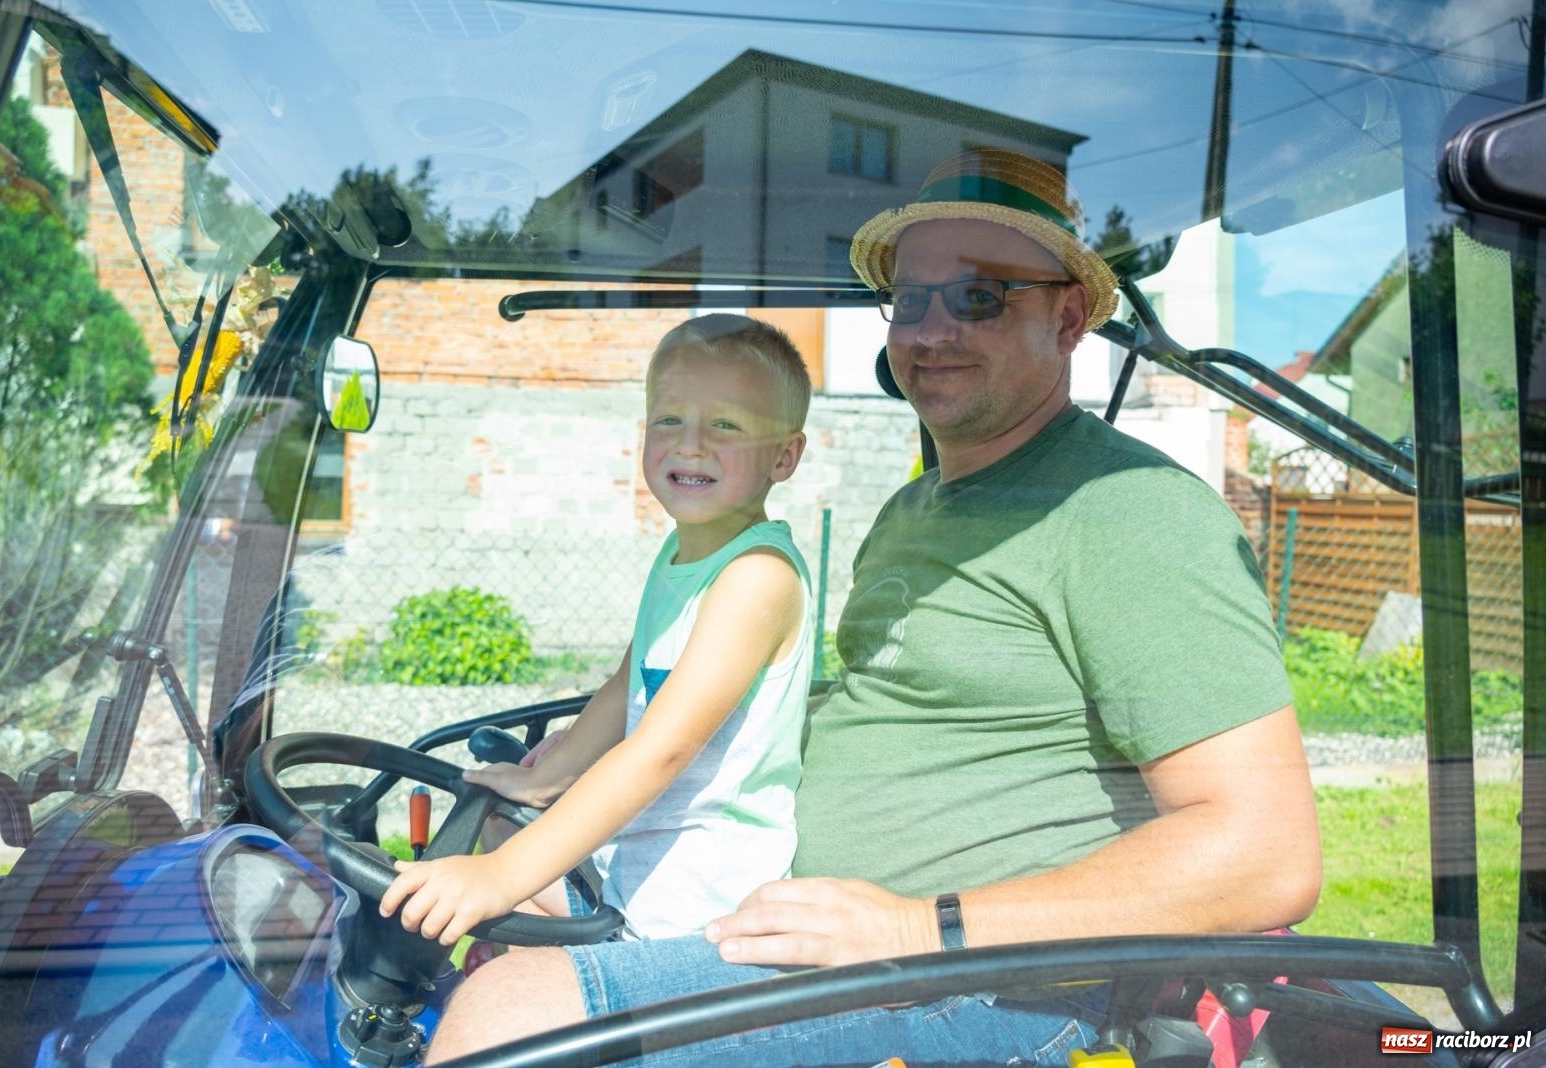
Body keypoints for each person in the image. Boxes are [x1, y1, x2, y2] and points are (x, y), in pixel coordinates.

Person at [423, 149, 1321, 1066]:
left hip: (975, 989)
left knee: (513, 1017)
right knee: (472, 877)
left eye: (978, 296)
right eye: (914, 298)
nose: (932, 332)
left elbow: (1262, 853)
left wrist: (914, 927)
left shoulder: (1126, 511)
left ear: (1068, 315)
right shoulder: (916, 510)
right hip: (809, 925)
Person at [381, 313, 816, 945]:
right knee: (502, 819)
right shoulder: (683, 556)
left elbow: (659, 750)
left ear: (785, 456)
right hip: (638, 857)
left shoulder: (757, 577)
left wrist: (500, 877)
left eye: (725, 425)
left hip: (694, 901)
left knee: (502, 873)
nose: (690, 443)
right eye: (669, 419)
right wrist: (542, 780)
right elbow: (625, 687)